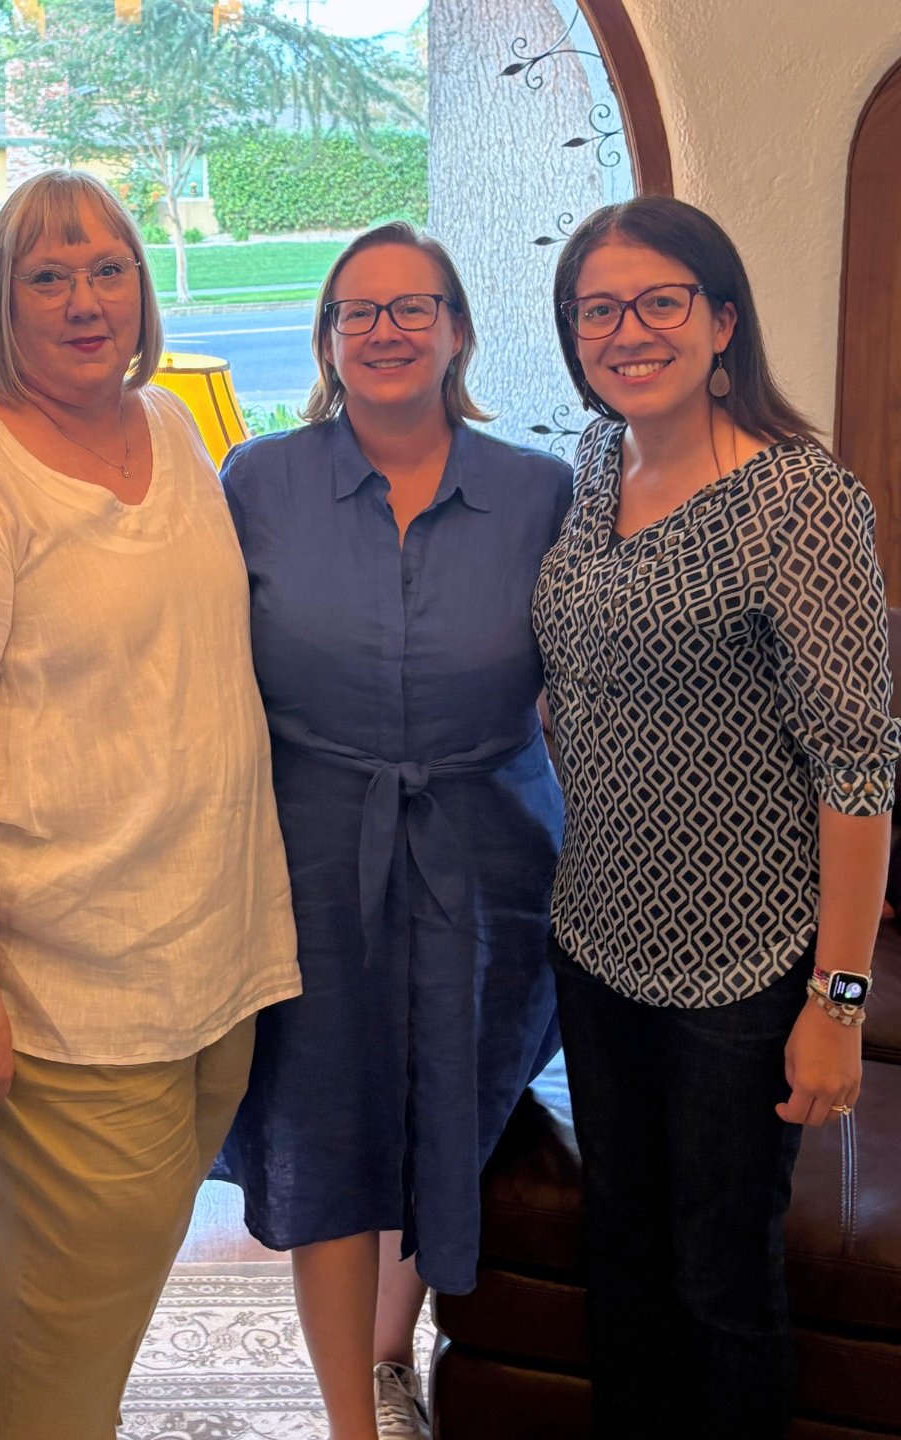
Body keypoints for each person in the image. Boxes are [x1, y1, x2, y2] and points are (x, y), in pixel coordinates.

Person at [0, 168, 300, 1440]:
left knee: (53, 1297)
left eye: (109, 269)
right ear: (4, 297)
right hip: (54, 985)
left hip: (197, 953)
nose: (86, 298)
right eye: (49, 274)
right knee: (63, 1340)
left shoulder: (170, 434)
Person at [534, 196, 900, 1440]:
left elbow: (859, 767)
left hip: (744, 972)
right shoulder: (594, 467)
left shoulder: (801, 500)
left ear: (722, 319)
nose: (628, 331)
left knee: (720, 1276)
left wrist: (835, 1006)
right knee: (621, 1258)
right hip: (594, 942)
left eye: (660, 301)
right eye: (599, 309)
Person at [214, 222, 573, 1440]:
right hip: (314, 844)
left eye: (412, 307)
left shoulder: (541, 492)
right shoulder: (257, 482)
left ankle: (387, 1355)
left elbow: (581, 676)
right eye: (357, 312)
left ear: (457, 330)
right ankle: (346, 1418)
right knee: (321, 1128)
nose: (386, 330)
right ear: (326, 340)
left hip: (493, 853)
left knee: (452, 1108)